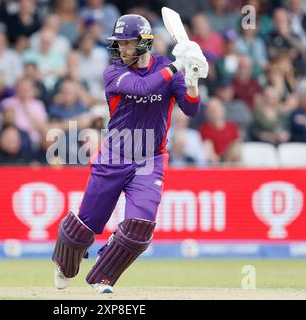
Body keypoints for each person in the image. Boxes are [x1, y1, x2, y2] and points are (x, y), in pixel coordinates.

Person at [51, 14, 207, 293]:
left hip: (151, 158)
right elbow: (142, 87)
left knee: (140, 228)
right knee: (84, 228)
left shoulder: (166, 69)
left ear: (145, 43)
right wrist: (177, 66)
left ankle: (102, 276)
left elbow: (192, 108)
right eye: (119, 44)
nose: (122, 49)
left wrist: (192, 78)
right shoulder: (114, 72)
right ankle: (64, 263)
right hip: (115, 154)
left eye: (128, 43)